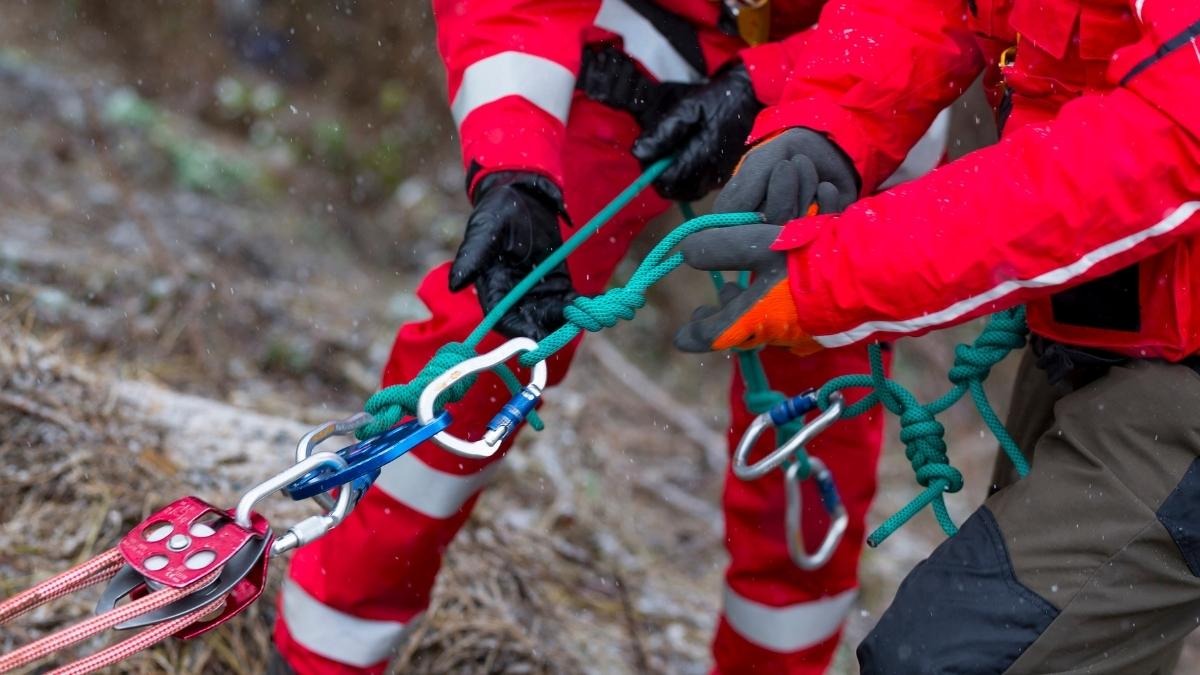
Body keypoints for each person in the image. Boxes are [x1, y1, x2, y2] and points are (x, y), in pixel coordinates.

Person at [269, 1, 969, 673]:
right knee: (484, 340)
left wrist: (778, 82)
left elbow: (937, 12)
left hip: (863, 71)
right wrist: (513, 165)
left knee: (816, 414)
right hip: (645, 33)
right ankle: (320, 651)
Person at [673, 0, 1200, 670]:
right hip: (1112, 323)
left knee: (943, 656)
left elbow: (1159, 148)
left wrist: (835, 276)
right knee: (1077, 649)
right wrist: (832, 122)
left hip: (1175, 375)